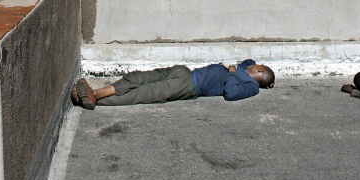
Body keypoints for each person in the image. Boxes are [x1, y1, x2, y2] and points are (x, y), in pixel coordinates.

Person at [72, 59, 275, 110]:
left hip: (189, 87)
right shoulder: (247, 68)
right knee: (138, 78)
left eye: (260, 65)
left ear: (259, 71)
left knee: (143, 93)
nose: (255, 64)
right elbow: (248, 61)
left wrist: (231, 72)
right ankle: (95, 93)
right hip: (185, 72)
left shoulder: (251, 86)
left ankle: (91, 99)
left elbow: (231, 93)